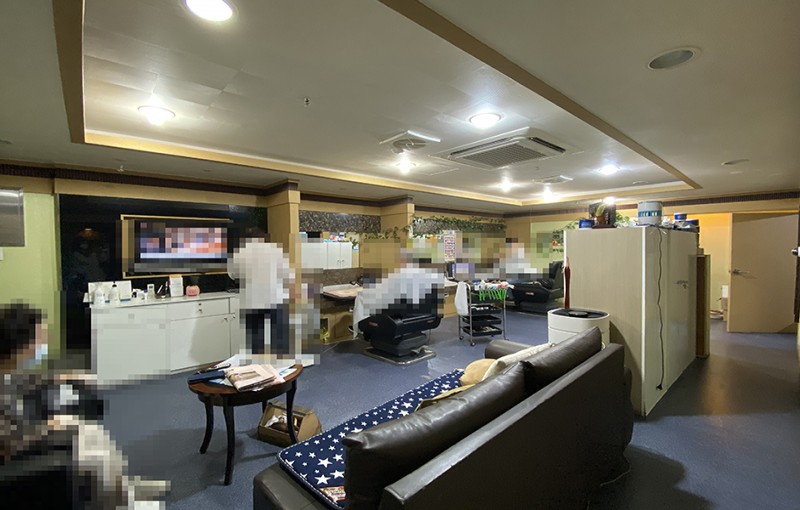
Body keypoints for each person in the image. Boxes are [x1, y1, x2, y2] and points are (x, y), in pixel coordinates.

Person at [0, 302, 168, 509]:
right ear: (21, 344)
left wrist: (65, 376)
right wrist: (49, 426)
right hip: (21, 451)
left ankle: (124, 488)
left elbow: (26, 381)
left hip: (29, 433)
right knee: (97, 458)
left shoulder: (7, 372)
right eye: (40, 336)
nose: (46, 341)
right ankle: (120, 504)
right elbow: (8, 444)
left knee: (94, 431)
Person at [228, 230, 296, 360]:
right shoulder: (276, 251)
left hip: (252, 302)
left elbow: (233, 275)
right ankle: (282, 367)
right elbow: (288, 276)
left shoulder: (240, 253)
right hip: (276, 299)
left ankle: (258, 367)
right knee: (280, 338)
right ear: (264, 238)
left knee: (255, 340)